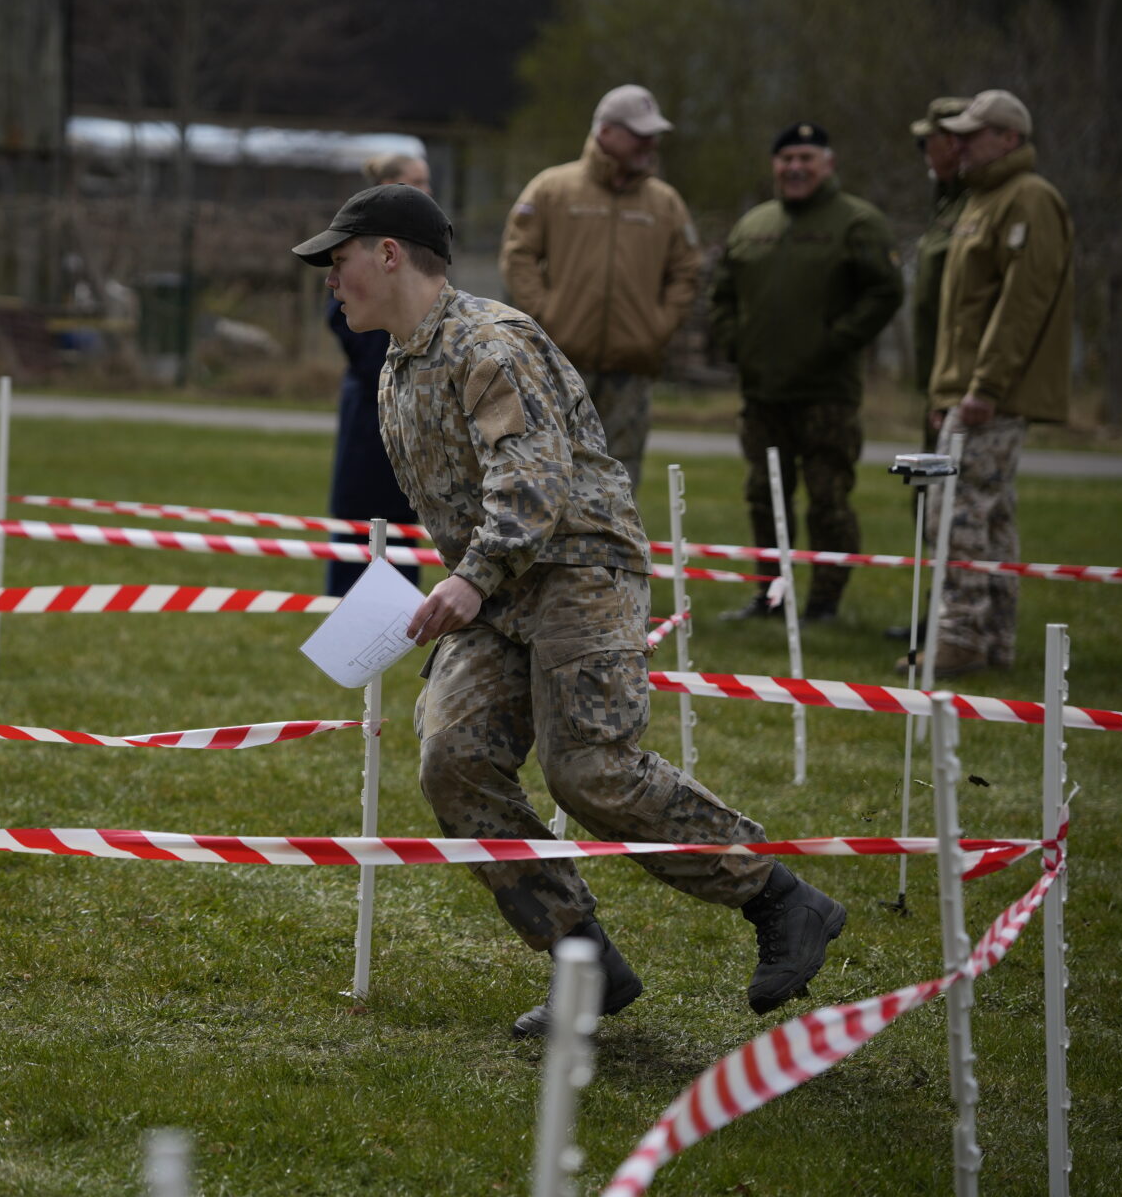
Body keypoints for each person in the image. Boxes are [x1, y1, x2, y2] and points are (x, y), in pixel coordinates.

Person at [290, 184, 847, 1035]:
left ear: (389, 254)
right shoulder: (399, 366)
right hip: (498, 587)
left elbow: (533, 480)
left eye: (340, 259)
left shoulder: (491, 344)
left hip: (579, 568)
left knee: (589, 769)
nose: (331, 279)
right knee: (453, 761)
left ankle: (779, 898)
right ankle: (583, 961)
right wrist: (462, 585)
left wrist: (472, 578)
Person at [710, 123, 904, 623]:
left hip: (826, 393)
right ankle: (771, 595)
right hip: (763, 392)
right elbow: (722, 293)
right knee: (764, 495)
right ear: (774, 165)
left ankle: (824, 601)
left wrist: (835, 341)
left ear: (827, 164)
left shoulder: (857, 223)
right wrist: (736, 344)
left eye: (806, 158)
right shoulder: (754, 224)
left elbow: (885, 291)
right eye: (786, 158)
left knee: (827, 498)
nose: (795, 167)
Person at [917, 90, 1074, 678]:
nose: (958, 144)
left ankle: (960, 636)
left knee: (956, 513)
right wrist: (947, 390)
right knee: (993, 515)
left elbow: (1022, 304)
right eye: (955, 135)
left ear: (1009, 138)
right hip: (967, 390)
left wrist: (984, 386)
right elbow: (965, 311)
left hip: (990, 395)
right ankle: (994, 640)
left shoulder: (1029, 198)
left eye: (972, 135)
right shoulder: (983, 200)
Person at [498, 84, 702, 493]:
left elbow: (687, 272)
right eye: (639, 133)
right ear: (605, 132)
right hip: (560, 367)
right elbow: (518, 256)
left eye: (653, 134)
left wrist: (656, 328)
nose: (650, 142)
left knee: (618, 485)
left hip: (630, 373)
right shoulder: (553, 188)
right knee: (550, 478)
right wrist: (546, 318)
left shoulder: (665, 203)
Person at [324, 152, 429, 596]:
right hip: (371, 414)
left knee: (404, 529)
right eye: (416, 181)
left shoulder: (420, 250)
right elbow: (339, 315)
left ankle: (402, 617)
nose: (427, 191)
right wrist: (392, 374)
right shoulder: (358, 246)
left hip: (410, 416)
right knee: (360, 527)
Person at [884, 96, 969, 643]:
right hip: (941, 380)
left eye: (929, 142)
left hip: (960, 382)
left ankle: (957, 619)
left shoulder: (976, 208)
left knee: (955, 509)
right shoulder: (949, 206)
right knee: (930, 506)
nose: (924, 153)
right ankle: (940, 612)